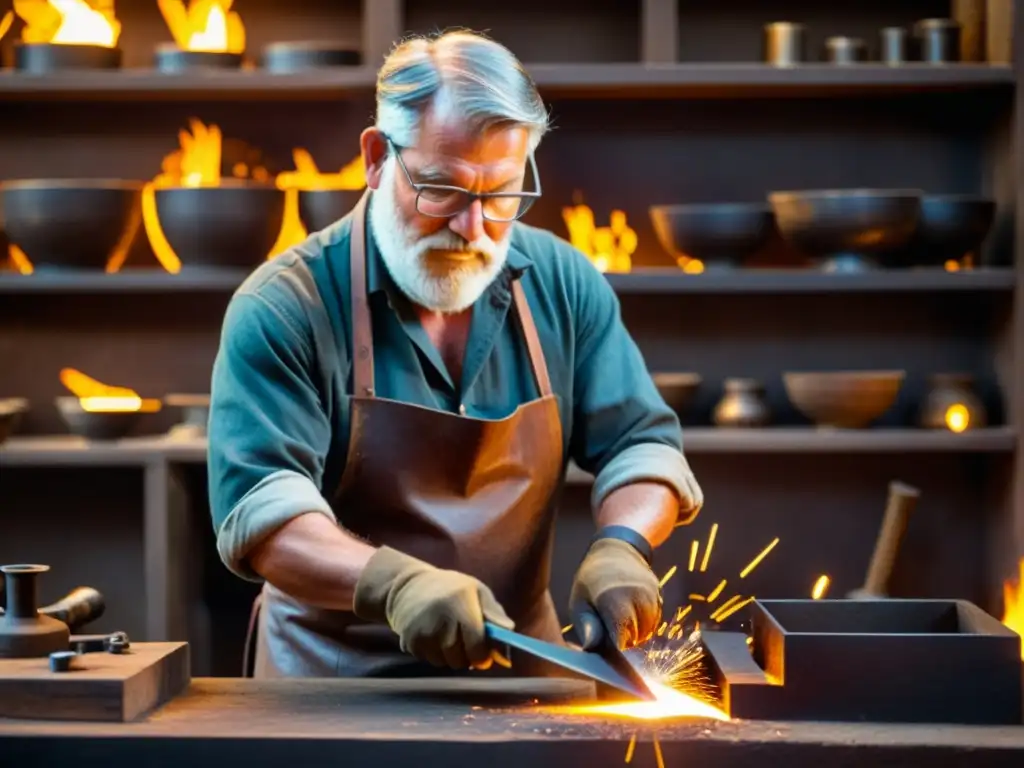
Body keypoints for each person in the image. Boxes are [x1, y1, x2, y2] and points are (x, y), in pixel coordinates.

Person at [207, 29, 704, 678]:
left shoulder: (562, 283)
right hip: (330, 691)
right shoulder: (284, 306)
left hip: (521, 678)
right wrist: (395, 585)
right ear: (378, 156)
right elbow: (263, 516)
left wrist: (623, 544)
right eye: (442, 190)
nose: (473, 227)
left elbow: (642, 445)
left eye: (500, 195)